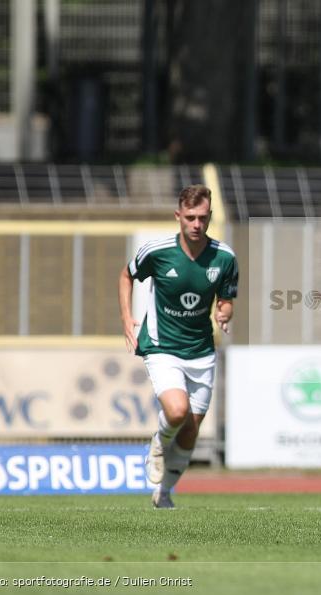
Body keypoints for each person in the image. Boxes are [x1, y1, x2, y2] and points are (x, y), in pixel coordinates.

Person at [118, 184, 239, 509]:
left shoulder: (225, 257)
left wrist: (225, 312)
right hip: (162, 346)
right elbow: (126, 276)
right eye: (190, 217)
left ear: (210, 217)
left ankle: (164, 492)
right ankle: (158, 443)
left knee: (190, 431)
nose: (197, 224)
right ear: (178, 216)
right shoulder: (157, 251)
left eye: (203, 218)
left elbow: (226, 300)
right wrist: (127, 317)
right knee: (176, 410)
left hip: (201, 350)